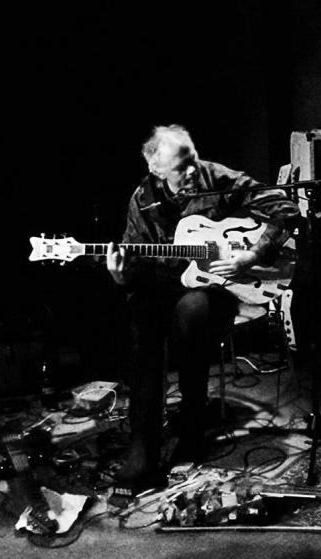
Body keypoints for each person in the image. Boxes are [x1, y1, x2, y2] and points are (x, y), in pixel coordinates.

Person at [106, 125, 300, 489]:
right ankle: (143, 449)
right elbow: (134, 270)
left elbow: (286, 210)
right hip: (165, 286)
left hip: (223, 287)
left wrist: (252, 255)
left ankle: (194, 428)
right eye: (183, 167)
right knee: (142, 317)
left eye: (193, 160)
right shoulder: (142, 200)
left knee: (191, 313)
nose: (193, 172)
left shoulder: (218, 177)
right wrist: (119, 276)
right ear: (158, 170)